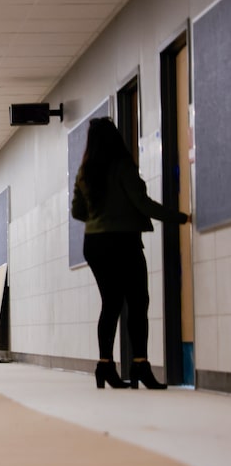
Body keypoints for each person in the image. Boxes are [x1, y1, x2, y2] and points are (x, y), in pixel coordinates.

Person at [72, 117, 189, 390]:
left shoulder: (85, 171)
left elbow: (78, 212)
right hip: (123, 242)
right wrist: (181, 218)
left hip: (95, 244)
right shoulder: (123, 166)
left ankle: (105, 366)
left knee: (110, 304)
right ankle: (140, 365)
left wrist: (100, 215)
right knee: (138, 302)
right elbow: (143, 204)